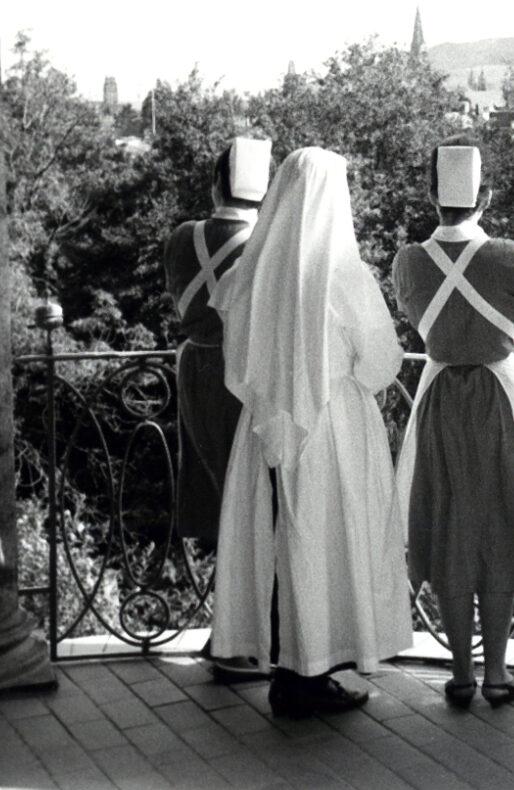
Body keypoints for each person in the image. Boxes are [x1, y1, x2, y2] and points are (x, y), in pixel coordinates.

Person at [209, 147, 412, 718]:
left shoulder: (250, 272)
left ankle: (289, 669)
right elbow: (381, 362)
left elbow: (236, 356)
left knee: (278, 538)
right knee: (321, 544)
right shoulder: (344, 274)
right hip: (330, 427)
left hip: (264, 426)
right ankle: (310, 671)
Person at [392, 136, 514, 708]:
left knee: (450, 529)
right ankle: (497, 673)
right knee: (501, 525)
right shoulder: (511, 257)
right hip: (498, 397)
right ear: (488, 196)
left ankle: (460, 673)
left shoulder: (409, 261)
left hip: (438, 399)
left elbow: (413, 317)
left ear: (431, 195)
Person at [163, 138, 270, 683]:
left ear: (214, 185)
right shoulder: (266, 245)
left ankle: (228, 629)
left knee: (221, 497)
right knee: (251, 505)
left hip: (194, 370)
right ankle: (239, 639)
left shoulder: (183, 238)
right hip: (242, 377)